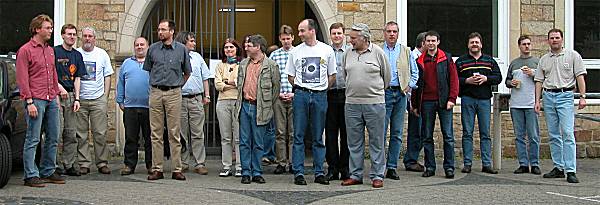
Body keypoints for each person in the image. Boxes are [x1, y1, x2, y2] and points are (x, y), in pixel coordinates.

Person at [16, 14, 65, 187]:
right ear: (37, 29)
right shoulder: (25, 50)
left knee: (53, 136)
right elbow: (22, 79)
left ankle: (48, 170)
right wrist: (28, 102)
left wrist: (56, 96)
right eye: (47, 28)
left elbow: (53, 75)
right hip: (35, 99)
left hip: (50, 98)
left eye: (51, 28)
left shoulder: (50, 50)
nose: (51, 31)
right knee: (33, 138)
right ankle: (30, 175)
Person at [286, 19, 336, 186]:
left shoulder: (327, 50)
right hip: (301, 95)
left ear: (312, 30)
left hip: (320, 96)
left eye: (302, 31)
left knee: (318, 136)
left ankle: (319, 172)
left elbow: (332, 76)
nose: (299, 34)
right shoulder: (295, 52)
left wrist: (320, 89)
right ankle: (298, 172)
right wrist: (303, 88)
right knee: (298, 134)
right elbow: (290, 76)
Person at [340, 23, 391, 188]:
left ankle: (377, 176)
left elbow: (387, 77)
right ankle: (355, 175)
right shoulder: (347, 53)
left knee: (376, 140)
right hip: (352, 104)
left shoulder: (378, 53)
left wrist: (374, 93)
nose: (350, 40)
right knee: (354, 142)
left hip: (375, 104)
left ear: (364, 38)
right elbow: (344, 74)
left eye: (354, 38)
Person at [535, 28, 586, 183]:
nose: (554, 40)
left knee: (567, 133)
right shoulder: (544, 59)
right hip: (549, 96)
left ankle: (570, 170)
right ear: (548, 40)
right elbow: (539, 81)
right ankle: (558, 167)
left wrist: (583, 97)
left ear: (562, 39)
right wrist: (537, 101)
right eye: (551, 38)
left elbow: (580, 76)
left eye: (557, 37)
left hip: (565, 96)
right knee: (553, 135)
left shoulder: (573, 56)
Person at [144, 19, 191, 181]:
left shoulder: (182, 50)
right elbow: (149, 70)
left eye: (163, 29)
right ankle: (157, 169)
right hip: (156, 92)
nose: (160, 32)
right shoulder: (152, 49)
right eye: (158, 30)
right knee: (155, 132)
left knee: (174, 132)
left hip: (174, 93)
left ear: (172, 32)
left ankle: (177, 169)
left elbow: (187, 72)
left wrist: (176, 86)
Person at [411, 31, 459, 178]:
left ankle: (449, 167)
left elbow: (454, 80)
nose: (431, 43)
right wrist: (414, 105)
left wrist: (452, 99)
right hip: (426, 102)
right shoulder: (420, 61)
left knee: (448, 136)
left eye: (433, 41)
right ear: (424, 43)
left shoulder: (446, 58)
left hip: (444, 102)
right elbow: (416, 83)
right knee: (427, 136)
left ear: (438, 42)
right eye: (428, 41)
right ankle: (430, 167)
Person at [455, 32, 502, 174]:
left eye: (476, 42)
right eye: (472, 42)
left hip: (484, 100)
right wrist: (467, 81)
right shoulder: (461, 62)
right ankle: (467, 163)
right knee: (467, 132)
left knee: (485, 133)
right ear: (468, 45)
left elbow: (498, 77)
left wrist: (486, 79)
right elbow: (454, 79)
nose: (474, 44)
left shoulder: (489, 61)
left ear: (481, 44)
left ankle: (486, 164)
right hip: (467, 99)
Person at [236, 34, 280, 184]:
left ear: (258, 47)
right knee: (244, 141)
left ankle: (257, 172)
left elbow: (275, 89)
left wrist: (266, 104)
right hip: (244, 106)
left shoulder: (271, 65)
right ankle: (246, 172)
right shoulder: (243, 64)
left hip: (260, 108)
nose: (247, 47)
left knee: (258, 142)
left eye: (250, 45)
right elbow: (239, 84)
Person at [381, 21, 419, 180]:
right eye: (389, 31)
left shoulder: (406, 51)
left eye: (394, 31)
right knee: (381, 133)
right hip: (383, 95)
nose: (391, 34)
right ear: (384, 33)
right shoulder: (378, 50)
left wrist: (408, 87)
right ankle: (380, 167)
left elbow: (415, 73)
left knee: (397, 133)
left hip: (400, 95)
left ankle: (392, 167)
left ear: (398, 33)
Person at [76, 27, 114, 175]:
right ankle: (84, 163)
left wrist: (105, 97)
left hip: (98, 99)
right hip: (81, 99)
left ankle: (102, 162)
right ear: (81, 38)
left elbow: (108, 75)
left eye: (90, 36)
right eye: (84, 36)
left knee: (100, 133)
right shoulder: (77, 53)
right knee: (81, 134)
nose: (87, 38)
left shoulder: (102, 54)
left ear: (94, 38)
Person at [175, 31, 211, 175]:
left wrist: (207, 95)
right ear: (184, 41)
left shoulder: (197, 57)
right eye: (191, 41)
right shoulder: (176, 56)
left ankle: (199, 163)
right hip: (180, 99)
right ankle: (183, 162)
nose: (194, 43)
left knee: (197, 133)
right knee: (181, 133)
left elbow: (205, 77)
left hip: (196, 98)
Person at [116, 37, 153, 175]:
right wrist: (120, 100)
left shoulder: (152, 63)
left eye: (142, 44)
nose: (139, 47)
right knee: (131, 137)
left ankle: (151, 165)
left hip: (149, 107)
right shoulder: (126, 63)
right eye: (137, 45)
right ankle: (129, 165)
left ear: (147, 47)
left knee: (150, 138)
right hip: (130, 107)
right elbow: (121, 83)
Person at [505, 35, 541, 175]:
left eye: (528, 44)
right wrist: (511, 83)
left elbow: (543, 80)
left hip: (531, 103)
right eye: (524, 44)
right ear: (519, 46)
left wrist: (533, 73)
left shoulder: (537, 62)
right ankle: (523, 164)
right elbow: (507, 81)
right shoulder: (514, 63)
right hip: (516, 104)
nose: (526, 46)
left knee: (533, 135)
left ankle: (535, 164)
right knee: (519, 136)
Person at [54, 23, 86, 176]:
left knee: (71, 133)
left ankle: (69, 164)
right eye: (69, 34)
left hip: (72, 96)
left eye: (74, 34)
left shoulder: (77, 55)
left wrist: (77, 98)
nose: (72, 37)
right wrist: (60, 89)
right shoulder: (54, 52)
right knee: (56, 132)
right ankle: (53, 165)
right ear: (62, 35)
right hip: (57, 96)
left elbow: (78, 78)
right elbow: (50, 75)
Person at [324, 22, 351, 181]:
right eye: (334, 33)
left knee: (347, 134)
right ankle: (332, 168)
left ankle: (345, 168)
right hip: (330, 95)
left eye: (339, 33)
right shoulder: (326, 51)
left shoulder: (350, 51)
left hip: (347, 95)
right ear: (330, 35)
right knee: (331, 134)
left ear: (344, 34)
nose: (337, 36)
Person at [215, 38, 243, 177]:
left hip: (237, 101)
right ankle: (226, 166)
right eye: (226, 47)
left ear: (237, 49)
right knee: (225, 137)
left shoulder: (242, 65)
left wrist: (228, 82)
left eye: (231, 47)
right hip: (222, 102)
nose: (229, 50)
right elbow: (218, 84)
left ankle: (239, 166)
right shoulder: (220, 65)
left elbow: (240, 82)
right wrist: (231, 83)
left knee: (238, 137)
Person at [269, 25, 295, 175]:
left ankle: (293, 162)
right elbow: (271, 77)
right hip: (278, 97)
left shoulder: (298, 53)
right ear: (280, 39)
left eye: (288, 38)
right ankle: (281, 162)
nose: (286, 41)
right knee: (279, 132)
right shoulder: (274, 56)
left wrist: (294, 93)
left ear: (293, 38)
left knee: (293, 132)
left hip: (294, 96)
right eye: (283, 39)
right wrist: (276, 93)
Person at [403, 31, 427, 172]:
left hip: (424, 99)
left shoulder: (425, 58)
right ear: (423, 43)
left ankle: (412, 158)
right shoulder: (413, 57)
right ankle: (411, 160)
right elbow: (412, 80)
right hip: (414, 100)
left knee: (422, 130)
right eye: (428, 41)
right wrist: (412, 103)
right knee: (416, 131)